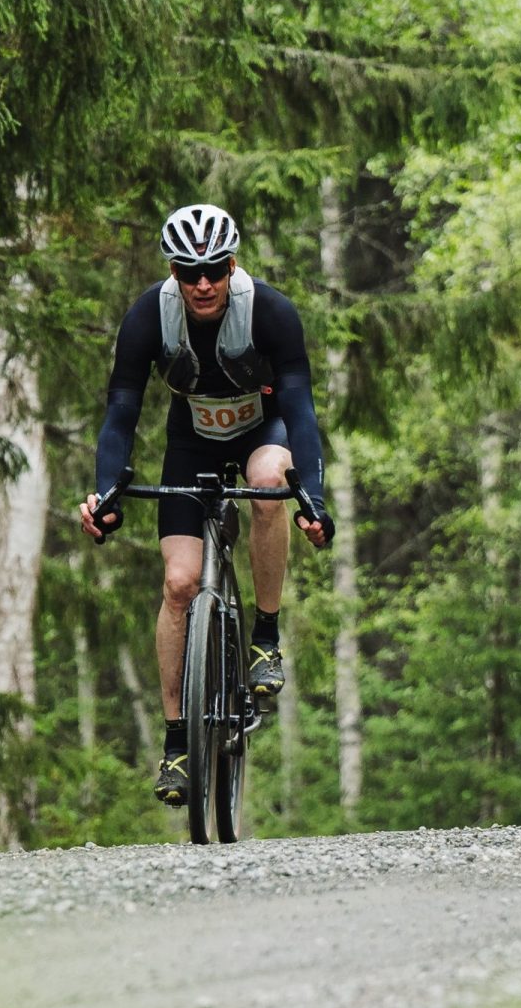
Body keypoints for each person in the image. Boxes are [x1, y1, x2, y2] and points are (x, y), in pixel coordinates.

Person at [78, 203, 335, 805]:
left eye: (214, 270)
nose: (202, 284)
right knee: (178, 585)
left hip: (262, 432)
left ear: (231, 264)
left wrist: (314, 500)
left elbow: (299, 409)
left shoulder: (269, 312)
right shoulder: (150, 315)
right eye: (189, 272)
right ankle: (176, 743)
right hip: (189, 442)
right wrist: (106, 494)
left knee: (270, 481)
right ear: (172, 272)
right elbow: (121, 412)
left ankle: (265, 637)